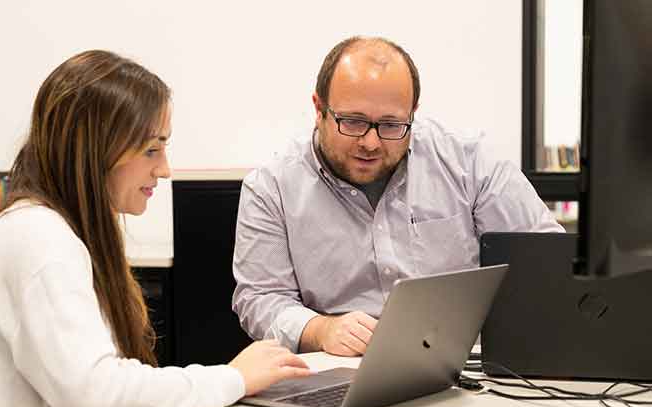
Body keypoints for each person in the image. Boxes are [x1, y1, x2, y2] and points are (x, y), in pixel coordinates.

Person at [0, 50, 311, 407]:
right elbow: (99, 398)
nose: (164, 169)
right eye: (152, 149)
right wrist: (233, 378)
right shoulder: (37, 239)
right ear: (96, 150)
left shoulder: (70, 233)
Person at [232, 36, 564, 358]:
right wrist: (321, 330)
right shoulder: (271, 186)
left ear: (413, 113)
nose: (371, 143)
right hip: (341, 368)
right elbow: (259, 297)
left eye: (392, 125)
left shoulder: (468, 162)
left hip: (462, 367)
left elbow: (543, 254)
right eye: (353, 122)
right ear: (319, 108)